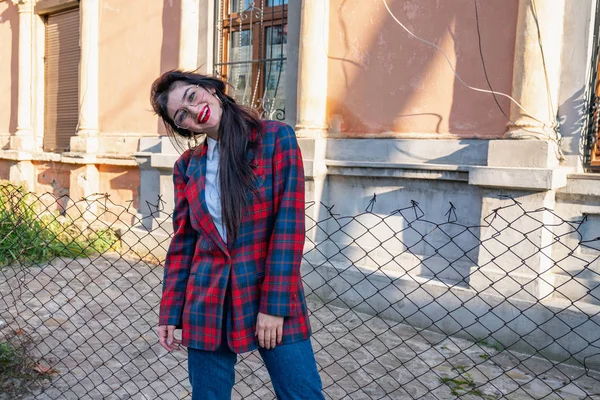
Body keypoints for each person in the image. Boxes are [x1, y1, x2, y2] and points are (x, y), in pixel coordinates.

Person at [151, 70, 325, 400]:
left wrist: (274, 306)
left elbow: (288, 227)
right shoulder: (187, 166)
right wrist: (170, 312)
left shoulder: (275, 139)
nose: (193, 110)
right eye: (181, 116)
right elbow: (184, 243)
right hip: (206, 300)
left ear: (210, 88)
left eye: (191, 96)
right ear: (184, 128)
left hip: (269, 294)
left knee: (302, 393)